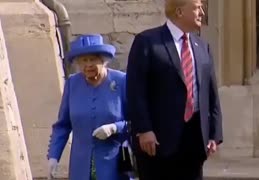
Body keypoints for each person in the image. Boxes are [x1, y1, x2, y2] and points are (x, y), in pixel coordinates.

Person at [126, 0, 223, 179]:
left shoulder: (202, 46)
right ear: (179, 11)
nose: (202, 12)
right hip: (157, 143)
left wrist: (214, 134)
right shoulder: (147, 42)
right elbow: (135, 90)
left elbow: (211, 94)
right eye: (197, 8)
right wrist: (144, 129)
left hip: (194, 141)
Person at [47, 34, 129, 180]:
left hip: (114, 165)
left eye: (93, 59)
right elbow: (63, 125)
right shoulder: (72, 84)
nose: (88, 64)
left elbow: (137, 122)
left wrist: (114, 128)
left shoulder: (121, 81)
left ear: (103, 61)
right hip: (80, 167)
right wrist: (54, 156)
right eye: (84, 60)